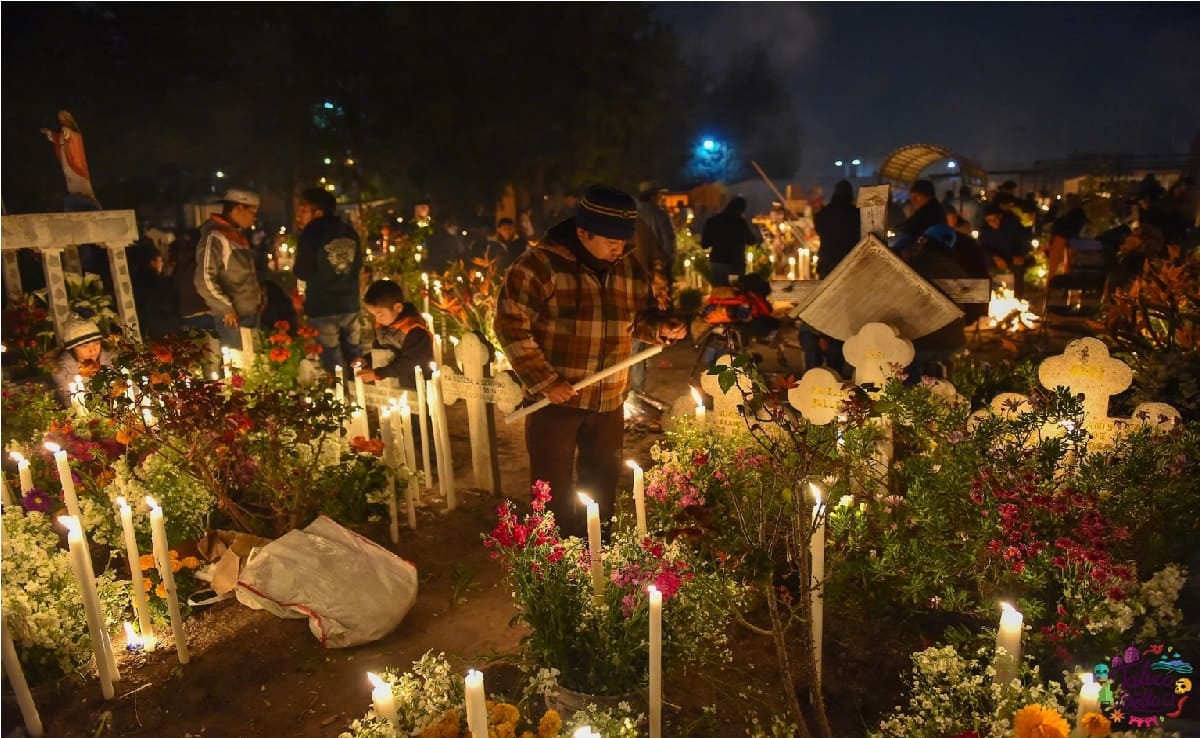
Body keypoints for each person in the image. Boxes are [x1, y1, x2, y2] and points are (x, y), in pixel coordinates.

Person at [494, 185, 687, 537]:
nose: (619, 248)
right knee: (551, 489)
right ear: (582, 232)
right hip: (556, 400)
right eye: (610, 240)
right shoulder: (539, 267)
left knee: (602, 483)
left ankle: (598, 555)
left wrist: (661, 327)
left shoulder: (627, 267)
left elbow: (638, 317)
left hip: (609, 399)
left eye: (624, 240)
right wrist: (544, 380)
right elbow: (510, 325)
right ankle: (554, 560)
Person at [293, 187, 364, 373]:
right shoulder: (349, 231)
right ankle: (360, 392)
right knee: (354, 353)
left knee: (332, 358)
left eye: (303, 210)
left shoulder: (311, 233)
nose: (299, 216)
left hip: (323, 306)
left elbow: (302, 270)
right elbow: (359, 264)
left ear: (318, 212)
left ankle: (341, 397)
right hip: (350, 304)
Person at [803, 179, 861, 375]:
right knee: (846, 310)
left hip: (827, 265)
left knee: (828, 306)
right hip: (850, 267)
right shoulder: (856, 214)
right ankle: (840, 349)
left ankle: (826, 340)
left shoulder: (823, 215)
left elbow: (819, 229)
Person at [194, 188, 262, 349]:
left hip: (249, 314)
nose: (255, 218)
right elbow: (203, 279)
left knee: (254, 366)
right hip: (232, 318)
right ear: (239, 208)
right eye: (253, 212)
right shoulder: (216, 236)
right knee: (239, 367)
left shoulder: (237, 236)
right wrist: (226, 308)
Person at [354, 279, 433, 390]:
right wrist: (366, 360)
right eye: (374, 315)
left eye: (380, 314)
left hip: (415, 386)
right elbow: (382, 352)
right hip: (391, 385)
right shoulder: (383, 326)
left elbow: (410, 362)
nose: (377, 319)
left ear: (397, 308)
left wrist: (378, 373)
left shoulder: (415, 330)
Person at [48, 315, 111, 407]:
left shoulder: (109, 360)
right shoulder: (61, 370)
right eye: (84, 346)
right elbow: (69, 403)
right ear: (72, 349)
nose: (93, 350)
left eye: (96, 343)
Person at [701, 196, 761, 286]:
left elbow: (704, 244)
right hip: (735, 264)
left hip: (717, 263)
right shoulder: (740, 223)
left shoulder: (712, 221)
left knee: (719, 294)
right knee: (735, 294)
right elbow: (751, 241)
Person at [978, 204, 1032, 297]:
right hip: (994, 259)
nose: (993, 222)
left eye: (995, 219)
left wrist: (1020, 254)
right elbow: (982, 248)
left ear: (1000, 216)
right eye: (989, 221)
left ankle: (1017, 299)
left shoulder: (1013, 225)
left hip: (1012, 257)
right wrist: (994, 257)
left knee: (1018, 270)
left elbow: (1024, 241)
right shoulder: (984, 230)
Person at [889, 179, 945, 254]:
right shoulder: (928, 208)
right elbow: (912, 221)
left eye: (915, 197)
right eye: (911, 197)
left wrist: (898, 229)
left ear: (927, 195)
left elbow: (915, 225)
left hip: (928, 247)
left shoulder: (930, 210)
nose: (913, 200)